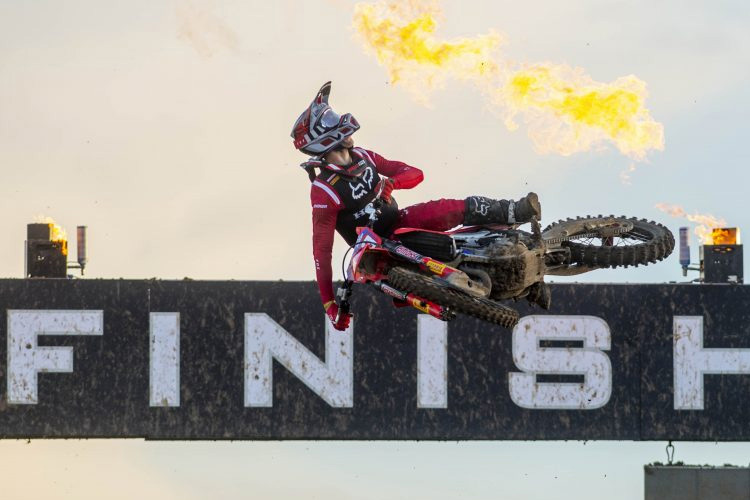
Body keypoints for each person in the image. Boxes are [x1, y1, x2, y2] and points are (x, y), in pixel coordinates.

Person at [291, 82, 542, 331]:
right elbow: (321, 252)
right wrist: (330, 304)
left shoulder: (364, 156)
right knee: (437, 276)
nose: (341, 121)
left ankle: (515, 210)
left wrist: (393, 183)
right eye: (331, 118)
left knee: (446, 208)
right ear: (321, 137)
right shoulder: (323, 190)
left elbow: (414, 173)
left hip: (400, 221)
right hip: (375, 253)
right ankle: (521, 288)